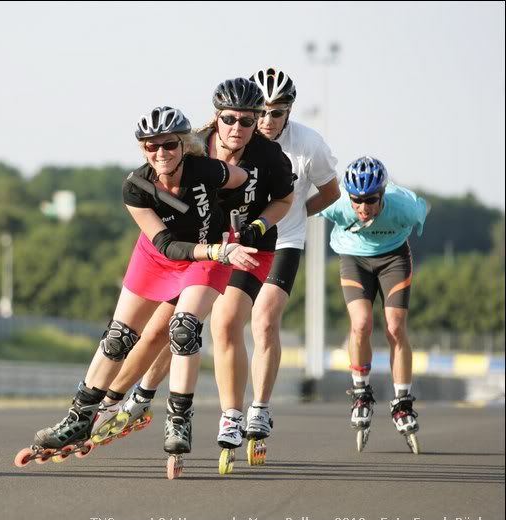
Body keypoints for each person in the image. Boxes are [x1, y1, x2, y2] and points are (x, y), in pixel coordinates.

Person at [17, 106, 256, 478]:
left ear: (184, 145)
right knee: (117, 337)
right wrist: (213, 249)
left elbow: (242, 178)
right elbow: (164, 244)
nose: (160, 153)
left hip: (209, 256)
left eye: (168, 145)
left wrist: (239, 215)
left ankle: (178, 419)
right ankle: (79, 418)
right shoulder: (136, 187)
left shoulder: (206, 169)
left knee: (184, 329)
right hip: (162, 255)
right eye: (151, 147)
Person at [93, 78, 295, 468]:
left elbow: (285, 199)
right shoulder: (192, 144)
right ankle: (119, 401)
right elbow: (154, 176)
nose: (237, 128)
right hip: (200, 247)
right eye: (229, 119)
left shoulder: (269, 157)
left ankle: (231, 415)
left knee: (218, 321)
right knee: (155, 331)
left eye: (247, 121)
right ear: (215, 117)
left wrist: (259, 226)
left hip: (247, 247)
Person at [243, 66, 340, 434]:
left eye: (277, 112)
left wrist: (298, 213)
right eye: (261, 111)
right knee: (226, 322)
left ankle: (260, 407)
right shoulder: (236, 137)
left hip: (284, 240)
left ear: (290, 111)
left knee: (265, 321)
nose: (267, 120)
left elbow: (331, 193)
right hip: (243, 243)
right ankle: (231, 408)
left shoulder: (309, 144)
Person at [319, 156, 428, 454]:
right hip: (353, 259)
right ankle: (361, 392)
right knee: (361, 324)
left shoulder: (404, 206)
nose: (363, 208)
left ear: (382, 194)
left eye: (371, 200)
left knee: (395, 327)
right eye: (357, 200)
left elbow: (423, 211)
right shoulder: (337, 203)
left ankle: (403, 401)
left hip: (393, 258)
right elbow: (300, 205)